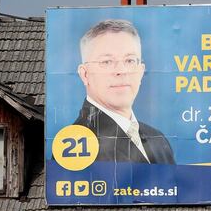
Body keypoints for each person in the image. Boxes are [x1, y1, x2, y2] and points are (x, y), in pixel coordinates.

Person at [73, 19, 175, 164]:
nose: (121, 71)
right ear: (85, 74)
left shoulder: (158, 140)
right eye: (106, 62)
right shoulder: (76, 145)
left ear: (141, 71)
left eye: (130, 61)